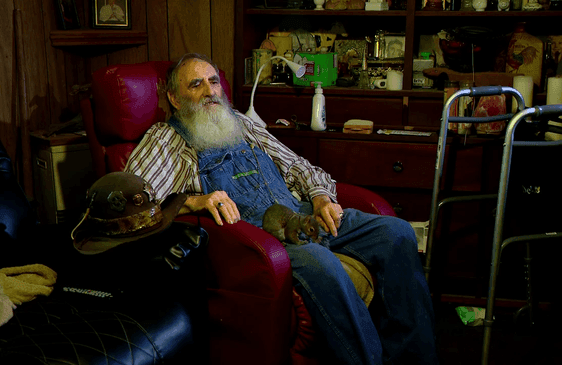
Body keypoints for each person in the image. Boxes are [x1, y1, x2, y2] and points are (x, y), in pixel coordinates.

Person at [124, 53, 438, 365]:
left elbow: (299, 167)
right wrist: (194, 201)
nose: (210, 92)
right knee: (320, 261)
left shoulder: (240, 124)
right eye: (196, 85)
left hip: (303, 212)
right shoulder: (165, 140)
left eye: (214, 81)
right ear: (175, 99)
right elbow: (131, 204)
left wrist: (321, 198)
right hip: (262, 237)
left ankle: (413, 358)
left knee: (396, 232)